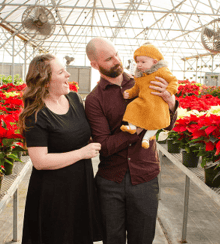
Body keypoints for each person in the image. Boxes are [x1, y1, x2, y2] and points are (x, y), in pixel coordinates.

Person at [84, 37, 179, 244]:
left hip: (145, 177)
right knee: (112, 239)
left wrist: (170, 103)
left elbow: (167, 125)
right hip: (111, 181)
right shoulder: (94, 100)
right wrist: (141, 127)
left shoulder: (145, 81)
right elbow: (105, 146)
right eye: (109, 59)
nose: (117, 61)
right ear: (94, 64)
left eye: (116, 54)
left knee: (143, 238)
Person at [18, 54, 103, 244]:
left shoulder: (73, 99)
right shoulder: (36, 114)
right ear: (46, 82)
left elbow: (77, 134)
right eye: (61, 71)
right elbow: (40, 161)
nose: (68, 74)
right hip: (53, 193)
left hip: (80, 187)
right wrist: (82, 153)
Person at [121, 43, 178, 149]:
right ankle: (132, 127)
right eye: (137, 61)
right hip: (144, 101)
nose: (139, 64)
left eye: (143, 62)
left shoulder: (162, 71)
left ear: (155, 62)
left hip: (158, 103)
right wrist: (129, 93)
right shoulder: (140, 76)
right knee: (131, 106)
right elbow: (136, 89)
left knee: (156, 121)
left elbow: (173, 80)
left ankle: (146, 139)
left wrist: (169, 91)